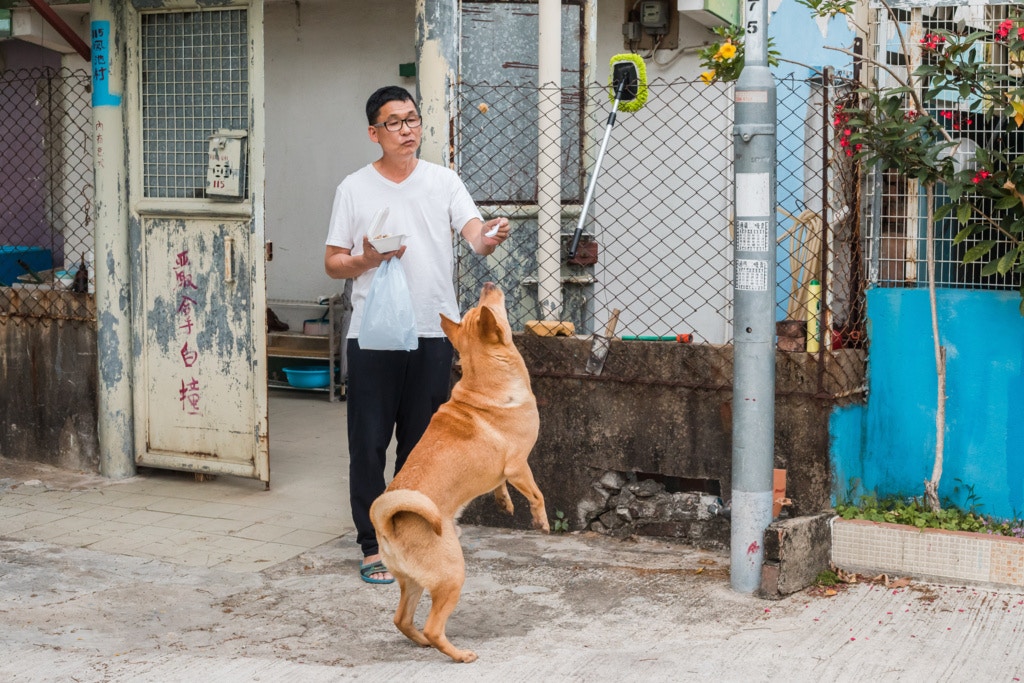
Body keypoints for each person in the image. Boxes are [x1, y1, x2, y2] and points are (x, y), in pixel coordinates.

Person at [324, 85, 509, 584]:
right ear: (374, 133)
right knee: (368, 445)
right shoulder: (354, 188)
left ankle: (410, 537)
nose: (407, 130)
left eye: (412, 119)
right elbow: (333, 262)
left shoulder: (443, 181)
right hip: (373, 335)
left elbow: (476, 238)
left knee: (422, 446)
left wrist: (490, 235)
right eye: (395, 122)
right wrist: (367, 259)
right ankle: (372, 545)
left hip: (433, 331)